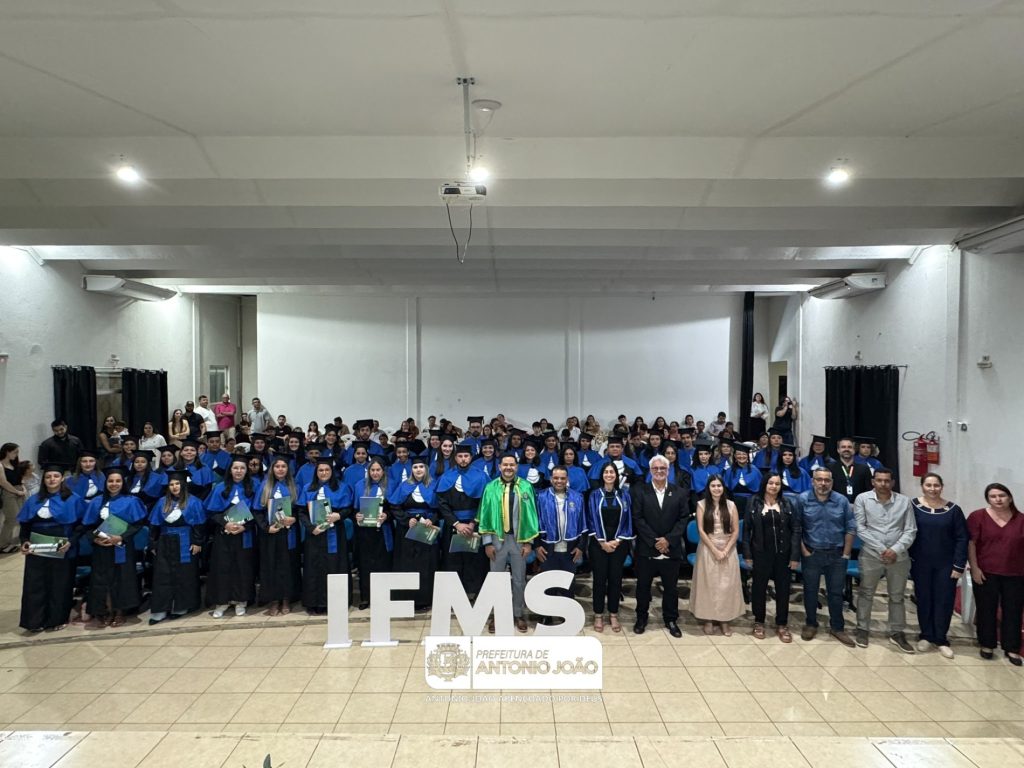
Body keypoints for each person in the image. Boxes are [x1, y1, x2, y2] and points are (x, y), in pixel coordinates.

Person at [853, 468, 917, 652]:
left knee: (897, 596)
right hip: (871, 555)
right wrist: (883, 549)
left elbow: (910, 530)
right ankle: (862, 628)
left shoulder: (904, 501)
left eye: (887, 481)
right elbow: (860, 528)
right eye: (879, 480)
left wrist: (895, 550)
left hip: (899, 557)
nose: (883, 484)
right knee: (866, 592)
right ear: (873, 482)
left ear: (893, 483)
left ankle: (897, 632)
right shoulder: (862, 499)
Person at [793, 468, 857, 646]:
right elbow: (796, 527)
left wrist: (846, 553)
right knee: (810, 591)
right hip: (812, 553)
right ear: (812, 481)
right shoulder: (803, 499)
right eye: (819, 479)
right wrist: (804, 551)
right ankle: (811, 623)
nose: (823, 483)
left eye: (827, 480)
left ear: (832, 482)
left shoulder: (841, 501)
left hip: (837, 554)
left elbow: (851, 527)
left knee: (836, 593)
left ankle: (837, 627)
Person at [478, 453, 539, 633]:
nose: (508, 468)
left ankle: (518, 613)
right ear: (500, 467)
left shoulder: (526, 486)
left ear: (516, 467)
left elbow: (532, 515)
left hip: (519, 540)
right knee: (496, 580)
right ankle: (497, 614)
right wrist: (487, 542)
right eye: (505, 464)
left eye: (512, 465)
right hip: (497, 540)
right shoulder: (490, 487)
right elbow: (484, 515)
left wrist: (529, 542)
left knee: (519, 580)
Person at [17, 463, 81, 632]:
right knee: (35, 583)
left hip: (62, 546)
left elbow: (81, 526)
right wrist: (24, 541)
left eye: (56, 476)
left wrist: (71, 542)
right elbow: (25, 524)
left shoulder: (73, 499)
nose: (52, 479)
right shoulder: (33, 500)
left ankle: (56, 619)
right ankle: (34, 621)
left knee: (59, 583)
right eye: (48, 477)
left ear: (62, 479)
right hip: (37, 546)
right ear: (44, 480)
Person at [81, 465, 148, 627]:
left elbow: (138, 524)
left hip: (122, 546)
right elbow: (88, 526)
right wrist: (94, 539)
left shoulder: (131, 501)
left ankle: (120, 611)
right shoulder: (96, 501)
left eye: (118, 481)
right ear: (106, 483)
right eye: (111, 481)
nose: (114, 484)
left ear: (123, 483)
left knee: (122, 578)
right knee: (102, 579)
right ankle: (105, 610)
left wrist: (121, 537)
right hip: (101, 546)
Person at [910, 473, 968, 659]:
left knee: (944, 600)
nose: (932, 489)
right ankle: (926, 635)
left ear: (942, 487)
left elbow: (962, 538)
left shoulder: (954, 510)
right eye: (928, 485)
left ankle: (941, 638)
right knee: (924, 599)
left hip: (946, 564)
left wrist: (959, 565)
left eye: (936, 485)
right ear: (922, 486)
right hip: (920, 563)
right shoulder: (912, 506)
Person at [631, 454, 690, 637]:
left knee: (671, 588)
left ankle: (670, 619)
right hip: (647, 548)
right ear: (650, 470)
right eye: (655, 468)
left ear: (668, 470)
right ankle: (641, 618)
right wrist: (655, 541)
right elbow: (637, 518)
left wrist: (668, 540)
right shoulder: (640, 491)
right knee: (643, 587)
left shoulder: (679, 492)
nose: (659, 471)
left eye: (662, 468)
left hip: (671, 548)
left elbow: (683, 518)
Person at [967, 483, 1024, 665]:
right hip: (985, 572)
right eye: (993, 496)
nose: (998, 499)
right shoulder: (977, 517)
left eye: (1002, 495)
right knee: (986, 609)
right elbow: (971, 544)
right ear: (988, 499)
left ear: (1010, 497)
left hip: (1016, 573)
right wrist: (974, 568)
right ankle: (987, 644)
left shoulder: (1021, 519)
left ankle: (1012, 648)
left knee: (1013, 611)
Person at [743, 473, 797, 642]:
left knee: (783, 589)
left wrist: (795, 555)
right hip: (760, 553)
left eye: (777, 484)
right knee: (759, 588)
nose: (774, 486)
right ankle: (759, 621)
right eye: (771, 483)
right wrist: (747, 554)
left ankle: (782, 623)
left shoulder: (787, 503)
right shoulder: (754, 502)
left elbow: (796, 530)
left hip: (783, 553)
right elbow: (747, 530)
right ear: (764, 484)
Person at [203, 456, 260, 618]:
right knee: (223, 567)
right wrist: (225, 524)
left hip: (245, 533)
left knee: (243, 567)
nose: (239, 471)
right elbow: (212, 512)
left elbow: (258, 511)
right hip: (224, 534)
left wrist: (245, 526)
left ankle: (241, 601)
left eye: (242, 468)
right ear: (230, 470)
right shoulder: (220, 487)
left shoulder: (254, 486)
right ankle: (222, 602)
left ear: (247, 470)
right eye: (235, 468)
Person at [147, 470, 205, 624]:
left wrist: (198, 542)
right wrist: (153, 543)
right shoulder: (161, 502)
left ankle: (181, 607)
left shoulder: (194, 502)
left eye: (177, 483)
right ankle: (160, 610)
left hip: (185, 541)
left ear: (183, 485)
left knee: (184, 575)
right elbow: (154, 526)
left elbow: (199, 525)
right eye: (171, 484)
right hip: (165, 541)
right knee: (163, 575)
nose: (174, 487)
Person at [297, 457, 353, 615]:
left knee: (335, 565)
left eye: (327, 470)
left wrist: (338, 516)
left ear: (332, 471)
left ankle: (335, 602)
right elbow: (301, 511)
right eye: (320, 470)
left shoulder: (342, 487)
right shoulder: (308, 488)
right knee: (314, 566)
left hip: (335, 532)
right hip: (314, 534)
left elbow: (348, 509)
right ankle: (314, 602)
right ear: (316, 472)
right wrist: (310, 528)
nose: (324, 473)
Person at [689, 475, 743, 636]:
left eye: (719, 486)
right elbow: (701, 531)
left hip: (728, 549)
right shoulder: (701, 505)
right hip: (708, 548)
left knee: (726, 586)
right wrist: (714, 550)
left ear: (723, 488)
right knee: (708, 586)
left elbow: (736, 531)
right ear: (708, 488)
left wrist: (725, 550)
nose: (716, 489)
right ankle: (708, 619)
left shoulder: (731, 505)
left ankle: (725, 620)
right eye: (713, 486)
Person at [534, 465, 587, 624]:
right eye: (556, 478)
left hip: (570, 549)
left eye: (562, 478)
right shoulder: (541, 497)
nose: (559, 481)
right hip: (547, 548)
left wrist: (581, 547)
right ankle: (547, 614)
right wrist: (537, 545)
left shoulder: (577, 497)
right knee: (548, 583)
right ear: (551, 479)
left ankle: (567, 615)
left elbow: (583, 523)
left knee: (568, 584)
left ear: (567, 479)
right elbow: (534, 523)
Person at [388, 456, 440, 612]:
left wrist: (431, 519)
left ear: (426, 469)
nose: (418, 470)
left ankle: (425, 599)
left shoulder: (433, 485)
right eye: (415, 467)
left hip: (426, 528)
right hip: (407, 529)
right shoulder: (404, 485)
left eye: (421, 467)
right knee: (407, 563)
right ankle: (407, 597)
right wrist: (406, 519)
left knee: (426, 564)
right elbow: (395, 506)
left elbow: (440, 508)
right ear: (412, 470)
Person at [586, 463, 633, 633]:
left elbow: (628, 520)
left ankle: (613, 613)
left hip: (618, 544)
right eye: (606, 472)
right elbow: (591, 519)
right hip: (598, 544)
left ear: (616, 475)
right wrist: (603, 542)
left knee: (615, 579)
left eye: (611, 472)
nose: (609, 475)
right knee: (599, 580)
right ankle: (598, 614)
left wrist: (617, 541)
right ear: (602, 475)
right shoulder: (594, 495)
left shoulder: (624, 495)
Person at [254, 456, 302, 615]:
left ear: (288, 469)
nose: (280, 469)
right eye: (277, 466)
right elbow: (257, 511)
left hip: (289, 533)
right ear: (272, 469)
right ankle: (274, 600)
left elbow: (300, 510)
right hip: (271, 533)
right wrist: (266, 528)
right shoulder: (264, 486)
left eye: (283, 466)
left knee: (289, 566)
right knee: (271, 566)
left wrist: (294, 519)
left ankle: (287, 599)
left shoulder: (294, 486)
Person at [352, 457, 394, 609]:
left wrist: (387, 516)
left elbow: (395, 509)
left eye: (378, 470)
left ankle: (383, 597)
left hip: (383, 531)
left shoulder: (391, 485)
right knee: (365, 565)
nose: (375, 473)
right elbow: (354, 509)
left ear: (383, 471)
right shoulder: (360, 485)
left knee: (383, 564)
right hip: (364, 532)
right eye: (372, 470)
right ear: (368, 471)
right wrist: (356, 516)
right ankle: (366, 597)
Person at [1, 442, 28, 553]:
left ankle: (14, 542)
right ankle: (3, 543)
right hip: (9, 493)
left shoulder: (15, 463)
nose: (16, 455)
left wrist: (23, 488)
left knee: (21, 518)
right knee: (12, 518)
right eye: (15, 452)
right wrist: (16, 491)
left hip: (19, 491)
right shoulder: (1, 465)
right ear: (7, 452)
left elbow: (21, 477)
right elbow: (3, 482)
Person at [830, 438, 873, 504]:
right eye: (843, 447)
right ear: (838, 450)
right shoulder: (830, 468)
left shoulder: (864, 469)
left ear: (854, 450)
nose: (846, 449)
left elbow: (869, 491)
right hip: (836, 506)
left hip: (859, 506)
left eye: (849, 447)